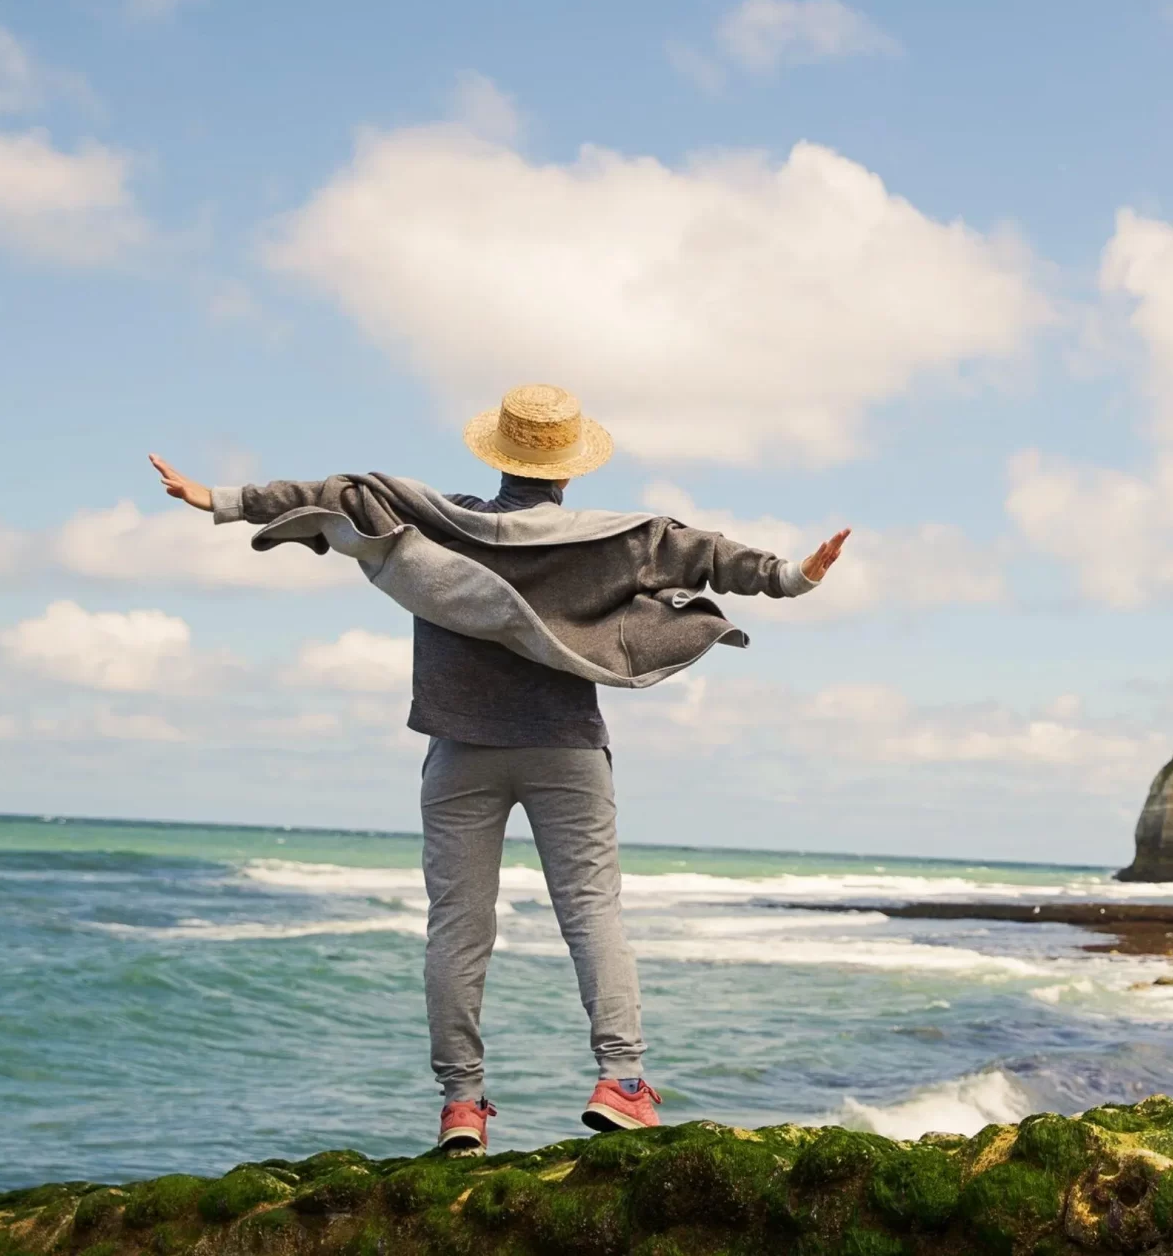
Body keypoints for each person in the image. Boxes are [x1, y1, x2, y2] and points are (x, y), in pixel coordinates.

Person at [148, 384, 849, 1157]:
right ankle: (621, 1082)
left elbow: (337, 493)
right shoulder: (612, 539)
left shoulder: (434, 523)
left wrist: (221, 498)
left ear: (498, 454)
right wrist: (792, 576)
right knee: (591, 913)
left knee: (457, 928)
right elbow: (708, 555)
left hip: (458, 751)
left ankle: (461, 1105)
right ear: (568, 468)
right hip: (565, 749)